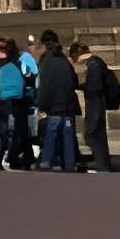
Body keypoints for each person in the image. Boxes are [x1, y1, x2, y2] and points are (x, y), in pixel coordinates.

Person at [34, 31, 80, 171]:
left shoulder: (46, 61)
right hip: (68, 103)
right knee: (67, 134)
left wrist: (41, 103)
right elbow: (74, 81)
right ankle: (69, 163)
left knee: (51, 133)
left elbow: (45, 86)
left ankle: (47, 160)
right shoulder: (64, 60)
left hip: (54, 104)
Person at [75, 38, 116, 172]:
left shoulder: (93, 64)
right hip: (97, 102)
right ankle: (101, 163)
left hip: (95, 104)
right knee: (96, 134)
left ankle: (101, 164)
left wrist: (82, 87)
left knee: (93, 133)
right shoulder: (96, 62)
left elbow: (94, 87)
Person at [0, 35, 28, 169]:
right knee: (15, 132)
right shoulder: (18, 63)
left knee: (2, 133)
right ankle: (12, 157)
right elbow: (26, 81)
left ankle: (0, 158)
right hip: (16, 102)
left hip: (0, 103)